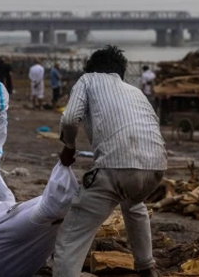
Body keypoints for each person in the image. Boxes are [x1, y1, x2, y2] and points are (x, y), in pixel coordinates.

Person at [54, 45, 167, 277]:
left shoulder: (88, 80)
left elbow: (69, 119)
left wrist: (69, 147)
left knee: (71, 238)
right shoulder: (136, 92)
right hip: (155, 168)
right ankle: (146, 268)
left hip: (116, 167)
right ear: (121, 72)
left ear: (91, 68)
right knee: (134, 205)